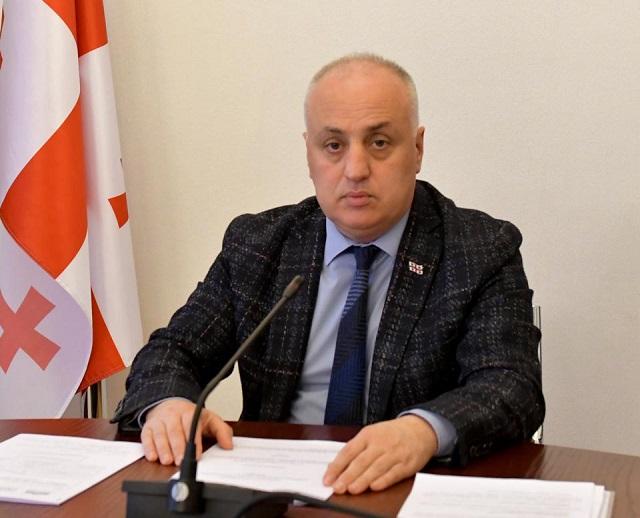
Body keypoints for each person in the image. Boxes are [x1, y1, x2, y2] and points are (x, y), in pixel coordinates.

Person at [113, 53, 544, 495]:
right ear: (309, 153)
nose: (355, 170)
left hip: (408, 490)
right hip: (274, 491)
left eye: (379, 142)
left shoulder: (479, 250)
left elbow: (511, 384)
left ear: (417, 149)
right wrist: (170, 405)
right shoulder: (259, 245)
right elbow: (173, 351)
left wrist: (422, 431)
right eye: (334, 146)